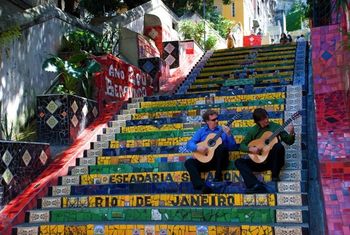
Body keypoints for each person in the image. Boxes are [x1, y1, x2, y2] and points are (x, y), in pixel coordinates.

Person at [235, 108, 295, 194]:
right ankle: (255, 185)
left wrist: (291, 133)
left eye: (266, 117)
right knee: (238, 161)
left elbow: (289, 141)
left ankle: (275, 177)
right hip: (259, 161)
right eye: (263, 120)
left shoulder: (276, 127)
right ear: (257, 121)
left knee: (279, 146)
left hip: (273, 161)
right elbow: (242, 145)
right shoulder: (253, 130)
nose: (266, 120)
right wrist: (251, 149)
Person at [185, 109, 237, 193]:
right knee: (189, 162)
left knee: (221, 147)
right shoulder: (201, 131)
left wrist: (229, 135)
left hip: (219, 162)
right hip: (206, 161)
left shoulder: (223, 130)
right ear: (207, 121)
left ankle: (218, 177)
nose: (216, 121)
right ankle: (200, 186)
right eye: (213, 120)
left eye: (217, 118)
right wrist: (197, 148)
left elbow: (233, 146)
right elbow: (189, 144)